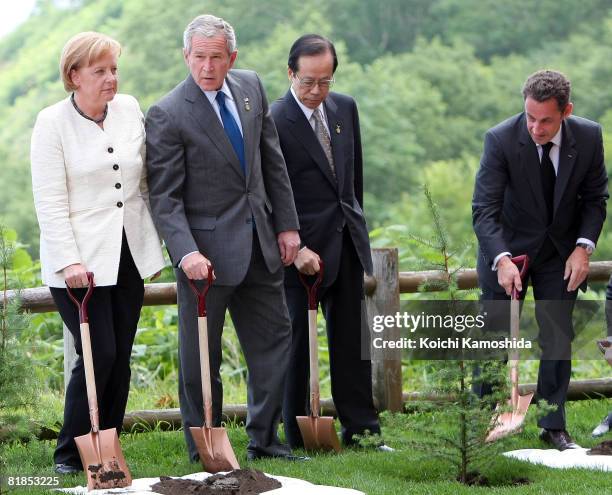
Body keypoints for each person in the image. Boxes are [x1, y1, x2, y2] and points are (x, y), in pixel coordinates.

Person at [145, 14, 304, 462]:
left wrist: (287, 225)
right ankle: (204, 446)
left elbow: (272, 161)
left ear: (232, 57)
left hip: (262, 247)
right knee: (200, 359)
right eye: (199, 57)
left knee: (274, 343)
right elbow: (166, 198)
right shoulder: (168, 112)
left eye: (217, 57)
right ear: (186, 56)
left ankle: (265, 440)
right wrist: (187, 252)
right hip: (205, 258)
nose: (208, 67)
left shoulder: (251, 86)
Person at [30, 32, 166, 473]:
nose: (111, 79)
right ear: (74, 77)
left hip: (129, 252)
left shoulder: (128, 109)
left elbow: (143, 182)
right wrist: (69, 260)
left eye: (114, 69)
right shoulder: (51, 123)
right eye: (100, 71)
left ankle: (106, 445)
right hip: (78, 261)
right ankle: (70, 453)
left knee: (120, 356)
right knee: (98, 353)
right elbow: (49, 202)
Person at [472, 70, 608, 450]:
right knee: (494, 338)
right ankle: (481, 423)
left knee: (556, 336)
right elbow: (484, 208)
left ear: (567, 111)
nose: (535, 127)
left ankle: (553, 425)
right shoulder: (500, 139)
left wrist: (583, 248)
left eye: (546, 119)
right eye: (530, 117)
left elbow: (596, 199)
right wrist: (500, 259)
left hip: (559, 254)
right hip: (506, 250)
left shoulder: (588, 135)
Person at [270, 34, 390, 451]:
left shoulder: (344, 108)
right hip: (299, 252)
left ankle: (362, 430)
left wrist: (356, 223)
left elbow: (352, 181)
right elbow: (268, 191)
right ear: (291, 74)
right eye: (308, 82)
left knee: (352, 346)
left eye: (325, 81)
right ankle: (298, 434)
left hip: (347, 242)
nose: (318, 91)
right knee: (296, 349)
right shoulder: (273, 120)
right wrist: (294, 248)